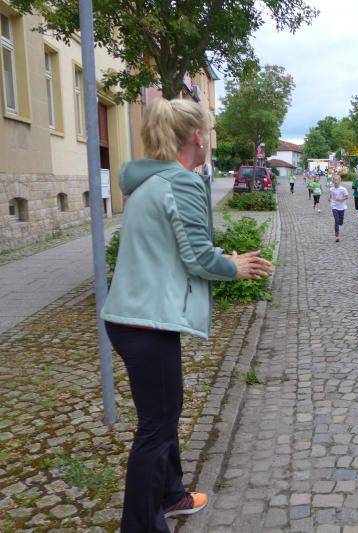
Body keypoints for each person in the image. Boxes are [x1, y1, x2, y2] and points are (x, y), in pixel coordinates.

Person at [101, 98, 272, 532]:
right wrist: (232, 267)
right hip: (146, 320)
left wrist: (222, 258)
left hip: (137, 318)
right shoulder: (182, 182)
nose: (209, 139)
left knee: (165, 413)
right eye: (208, 131)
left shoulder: (151, 182)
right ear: (198, 135)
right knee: (156, 428)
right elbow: (197, 257)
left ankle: (172, 495)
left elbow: (173, 250)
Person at [329, 173, 349, 242]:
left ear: (340, 181)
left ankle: (340, 223)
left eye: (337, 180)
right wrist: (329, 198)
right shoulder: (331, 189)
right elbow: (331, 195)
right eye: (334, 180)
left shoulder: (343, 189)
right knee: (336, 221)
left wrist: (341, 199)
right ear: (333, 181)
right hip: (334, 206)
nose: (336, 181)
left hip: (342, 207)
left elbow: (347, 197)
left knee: (340, 222)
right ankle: (337, 235)